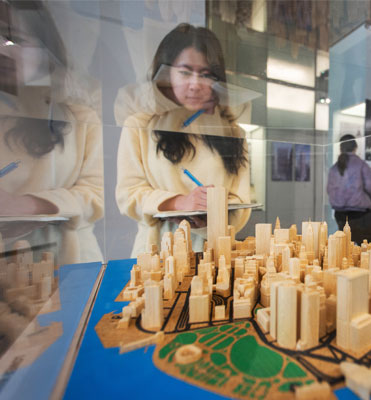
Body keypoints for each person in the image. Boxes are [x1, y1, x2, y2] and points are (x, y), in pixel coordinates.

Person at [115, 24, 250, 257]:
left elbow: (241, 202)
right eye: (185, 72)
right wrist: (178, 202)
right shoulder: (140, 124)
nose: (195, 84)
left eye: (206, 74)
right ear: (166, 73)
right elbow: (128, 194)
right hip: (157, 252)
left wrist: (207, 219)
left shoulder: (232, 131)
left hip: (215, 250)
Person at [0, 0, 104, 265]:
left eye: (17, 40)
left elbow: (96, 195)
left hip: (73, 263)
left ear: (45, 49)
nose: (5, 50)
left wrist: (28, 206)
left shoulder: (80, 119)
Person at [327, 134, 371, 242]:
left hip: (339, 212)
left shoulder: (334, 168)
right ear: (355, 148)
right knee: (362, 242)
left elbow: (329, 189)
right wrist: (369, 198)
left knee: (344, 242)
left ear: (340, 148)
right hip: (358, 212)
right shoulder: (361, 165)